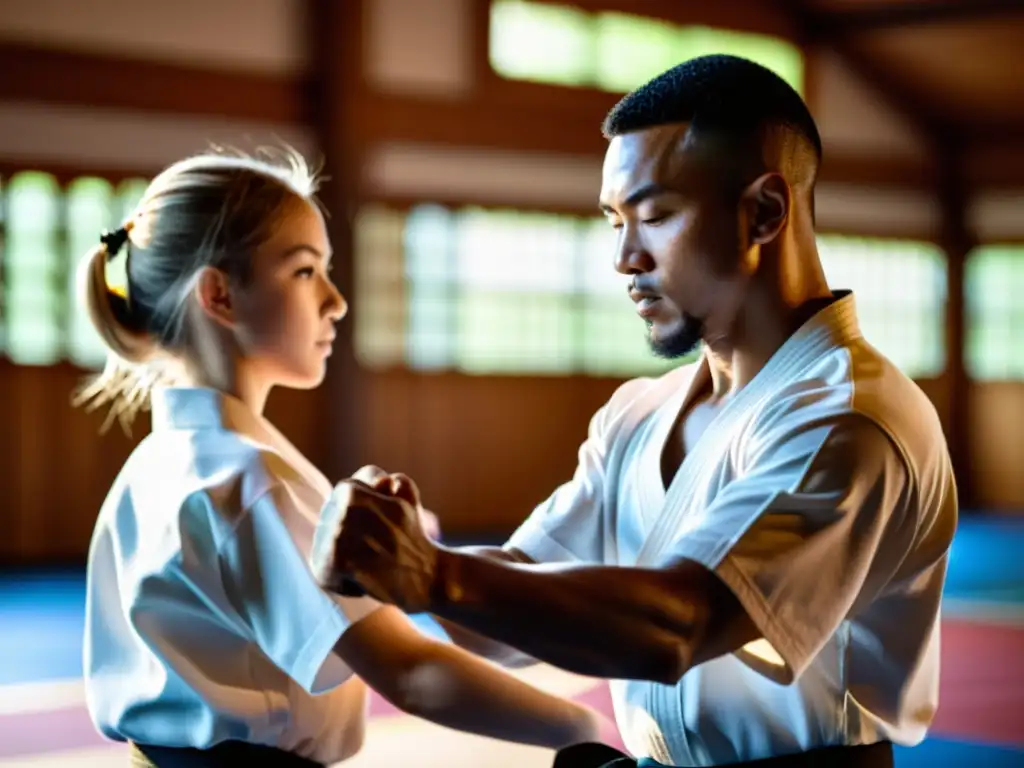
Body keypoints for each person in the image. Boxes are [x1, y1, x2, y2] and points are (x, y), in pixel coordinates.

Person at [312, 55, 959, 768]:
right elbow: (510, 604)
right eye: (614, 221)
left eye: (653, 216)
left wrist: (433, 575)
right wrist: (399, 556)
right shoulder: (640, 413)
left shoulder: (851, 419)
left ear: (765, 212)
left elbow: (678, 625)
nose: (624, 257)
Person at [75, 150, 605, 768]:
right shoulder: (248, 480)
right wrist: (580, 726)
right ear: (219, 294)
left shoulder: (156, 464)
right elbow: (411, 671)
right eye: (304, 272)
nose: (336, 301)